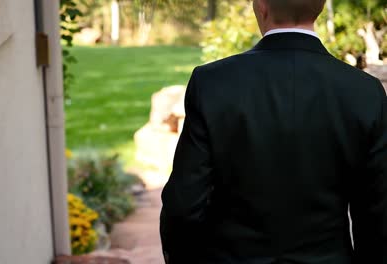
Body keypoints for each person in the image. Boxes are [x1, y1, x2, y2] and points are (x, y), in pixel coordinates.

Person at [160, 0, 387, 263]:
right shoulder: (365, 92)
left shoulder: (212, 83)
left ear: (261, 6)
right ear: (321, 6)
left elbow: (183, 206)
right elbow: (378, 216)